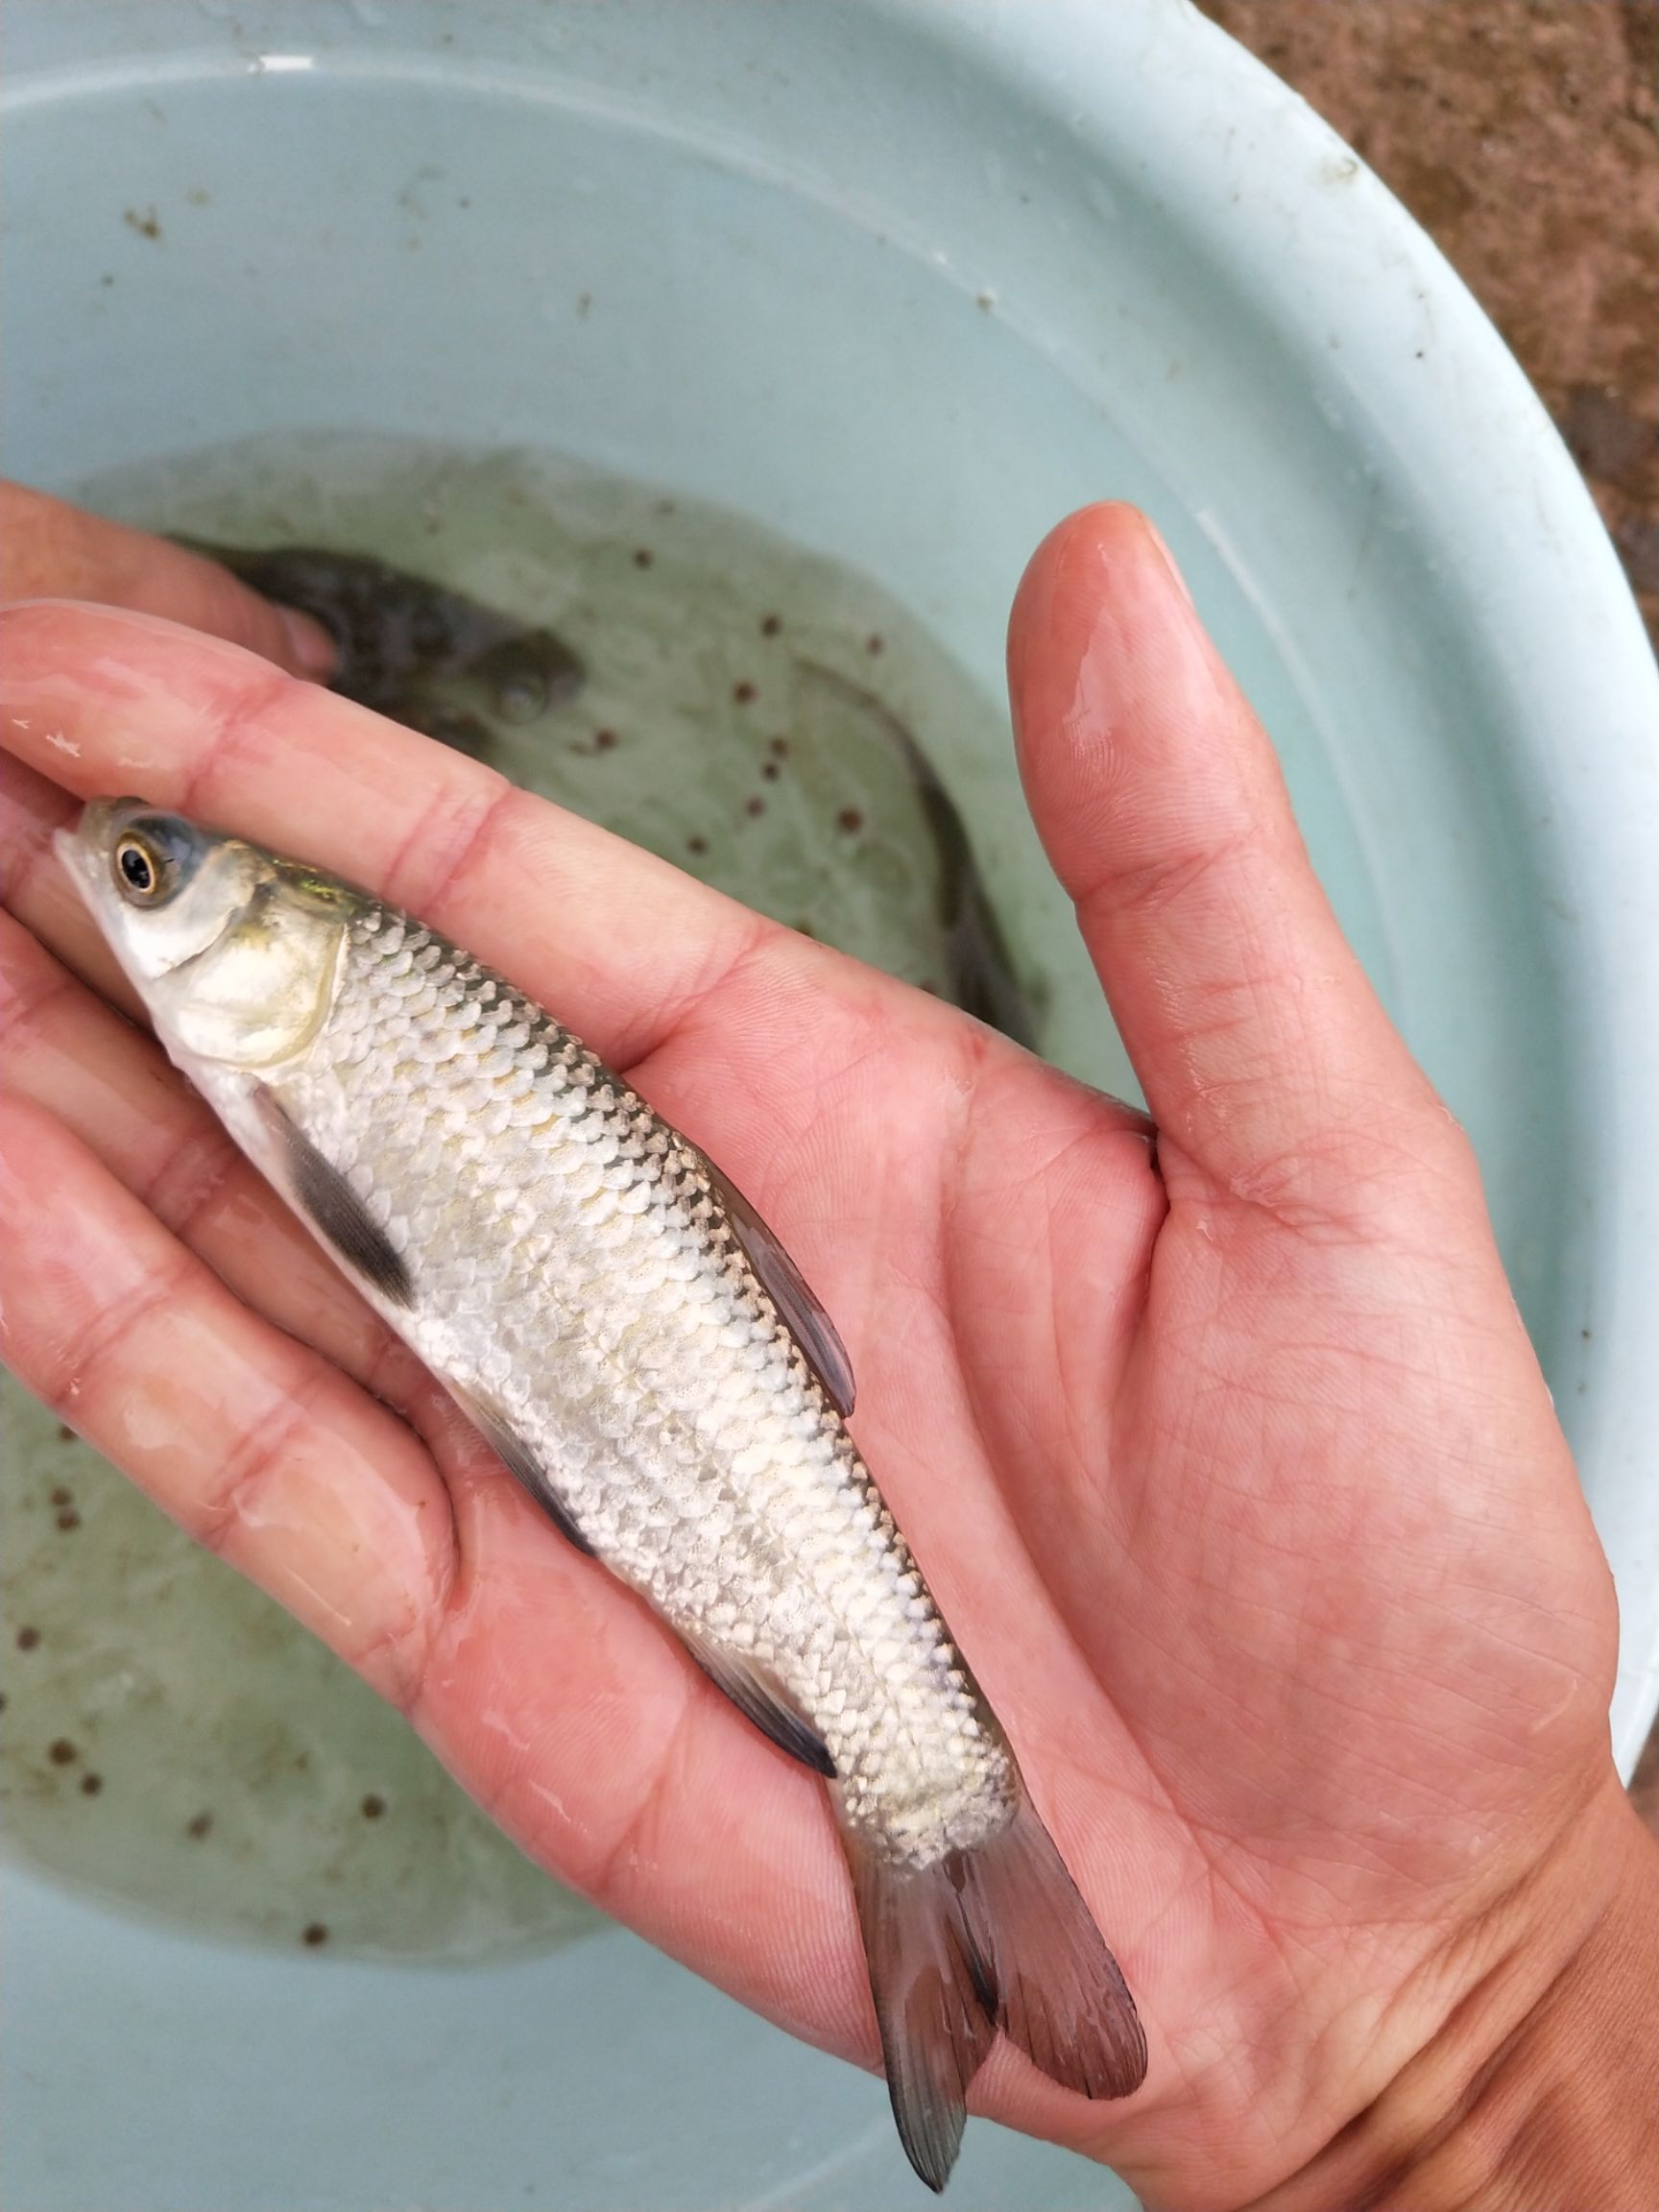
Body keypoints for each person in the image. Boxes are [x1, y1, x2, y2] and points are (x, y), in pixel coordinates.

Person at [1, 482, 1655, 2209]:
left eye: (144, 877)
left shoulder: (316, 1010)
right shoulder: (310, 1026)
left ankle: (933, 1794)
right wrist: (1484, 2026)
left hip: (675, 1380)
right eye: (142, 871)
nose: (124, 888)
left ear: (266, 944)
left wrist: (1498, 2002)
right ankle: (931, 1799)